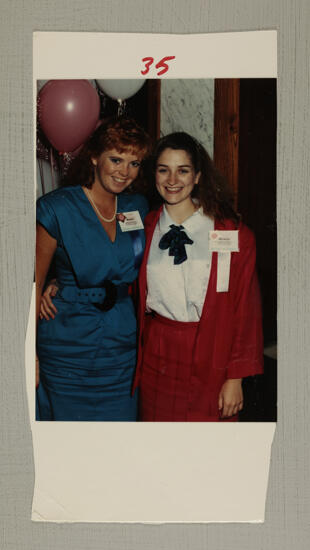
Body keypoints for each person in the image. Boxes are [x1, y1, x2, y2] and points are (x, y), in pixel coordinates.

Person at [132, 132, 263, 421]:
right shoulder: (144, 227)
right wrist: (57, 283)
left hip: (212, 351)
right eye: (164, 169)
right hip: (158, 354)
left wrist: (235, 378)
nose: (172, 180)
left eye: (183, 170)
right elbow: (117, 274)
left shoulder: (232, 233)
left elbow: (246, 310)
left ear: (198, 176)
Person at [36, 117, 151, 421]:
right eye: (116, 159)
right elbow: (30, 284)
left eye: (134, 163)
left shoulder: (137, 206)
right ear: (95, 156)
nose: (124, 172)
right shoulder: (56, 207)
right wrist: (27, 355)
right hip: (66, 345)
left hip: (121, 346)